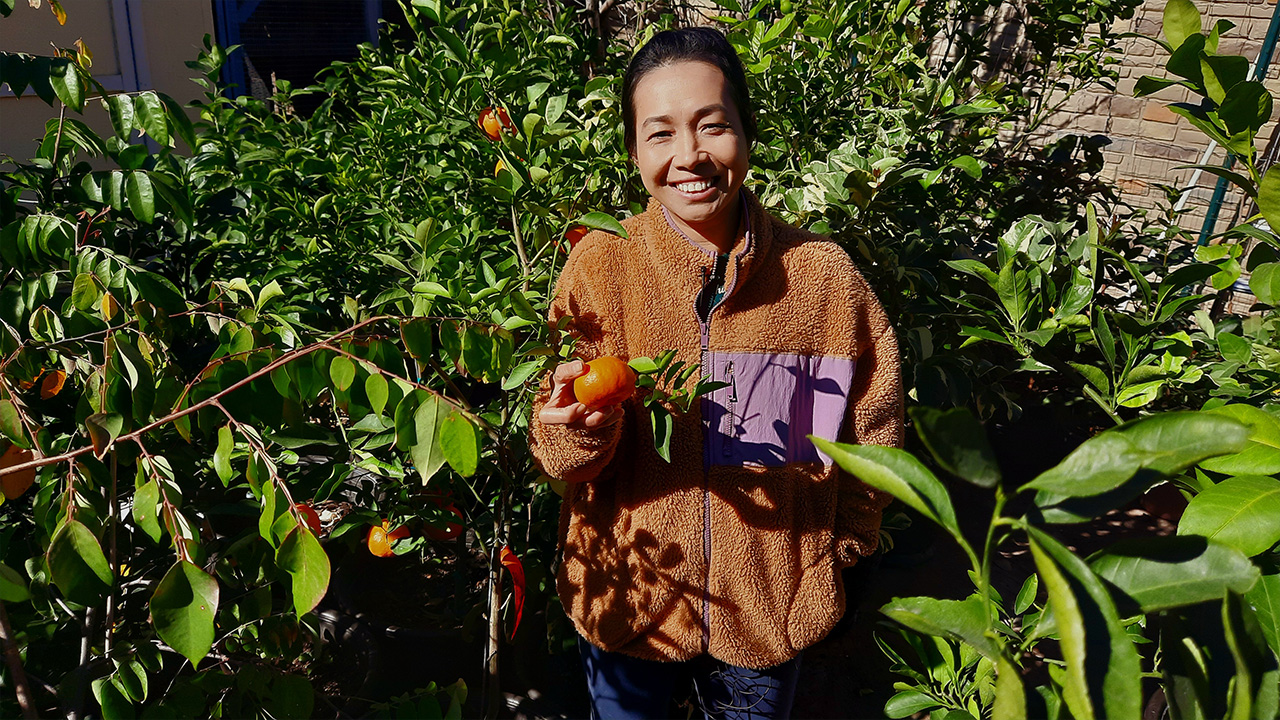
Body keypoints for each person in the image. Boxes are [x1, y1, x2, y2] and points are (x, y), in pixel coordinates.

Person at [530, 26, 903, 720]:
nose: (689, 156)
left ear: (748, 133)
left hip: (768, 616)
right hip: (629, 601)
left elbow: (872, 435)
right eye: (660, 134)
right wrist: (573, 436)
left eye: (712, 126)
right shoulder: (599, 268)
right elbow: (560, 454)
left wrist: (834, 553)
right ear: (635, 150)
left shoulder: (820, 280)